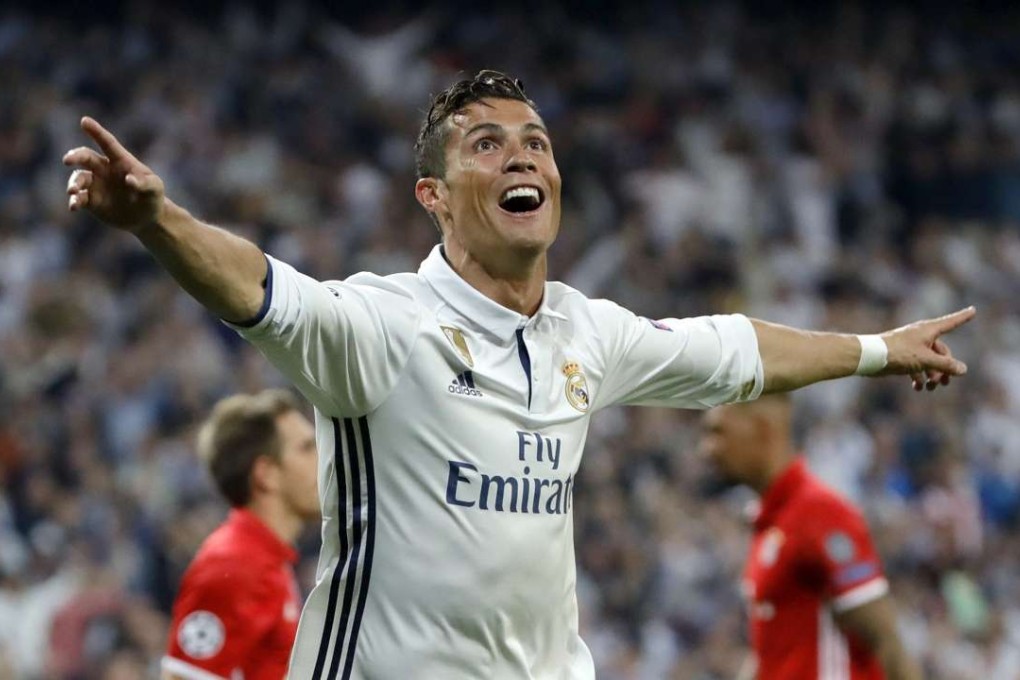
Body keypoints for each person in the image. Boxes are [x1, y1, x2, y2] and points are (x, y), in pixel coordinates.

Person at [63, 70, 972, 678]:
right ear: (435, 197)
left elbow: (734, 351)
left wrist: (880, 350)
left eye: (534, 141)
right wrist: (157, 223)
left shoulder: (588, 329)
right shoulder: (386, 325)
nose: (523, 155)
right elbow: (262, 289)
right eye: (487, 145)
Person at [701, 394, 921, 679]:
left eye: (719, 432)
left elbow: (884, 638)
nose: (707, 450)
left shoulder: (820, 514)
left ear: (763, 429)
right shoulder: (768, 522)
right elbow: (771, 655)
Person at [161, 389, 319, 680]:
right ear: (266, 474)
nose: (323, 460)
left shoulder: (265, 560)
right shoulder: (233, 564)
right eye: (307, 448)